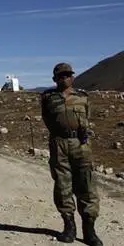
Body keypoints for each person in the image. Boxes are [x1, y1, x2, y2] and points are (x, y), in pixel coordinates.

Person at [40, 63, 102, 245]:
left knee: (87, 185)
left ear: (72, 77)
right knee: (62, 186)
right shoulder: (48, 97)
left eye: (68, 75)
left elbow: (87, 117)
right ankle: (69, 227)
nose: (64, 78)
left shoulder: (82, 97)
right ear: (55, 79)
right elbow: (46, 118)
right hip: (59, 144)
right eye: (60, 76)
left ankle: (89, 230)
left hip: (81, 144)